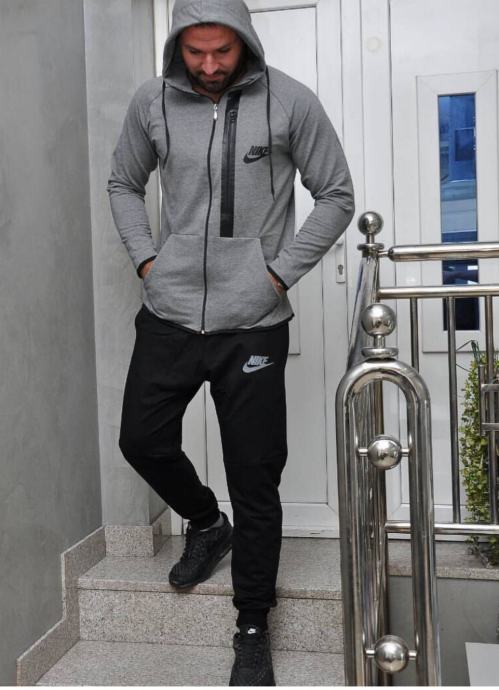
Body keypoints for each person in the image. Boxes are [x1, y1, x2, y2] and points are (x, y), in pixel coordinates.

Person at [107, 0, 354, 684]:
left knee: (255, 475)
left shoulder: (290, 102)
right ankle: (204, 521)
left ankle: (252, 625)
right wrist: (147, 260)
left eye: (223, 51)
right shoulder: (151, 102)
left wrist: (276, 274)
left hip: (253, 323)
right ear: (177, 47)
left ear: (244, 41)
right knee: (141, 439)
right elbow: (124, 183)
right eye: (197, 53)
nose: (210, 65)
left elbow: (335, 194)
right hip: (170, 312)